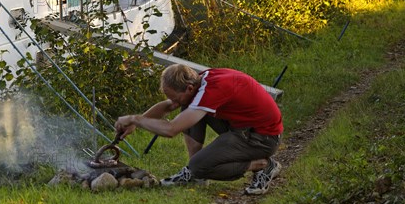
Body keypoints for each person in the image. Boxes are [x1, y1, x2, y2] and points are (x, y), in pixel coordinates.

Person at [114, 63, 283, 195]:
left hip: (262, 138)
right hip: (244, 127)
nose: (173, 102)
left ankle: (263, 164)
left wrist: (134, 118)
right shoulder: (199, 81)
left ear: (188, 87)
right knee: (186, 105)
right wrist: (136, 123)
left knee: (199, 166)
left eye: (174, 97)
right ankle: (195, 177)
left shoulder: (214, 88)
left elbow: (171, 130)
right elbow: (169, 106)